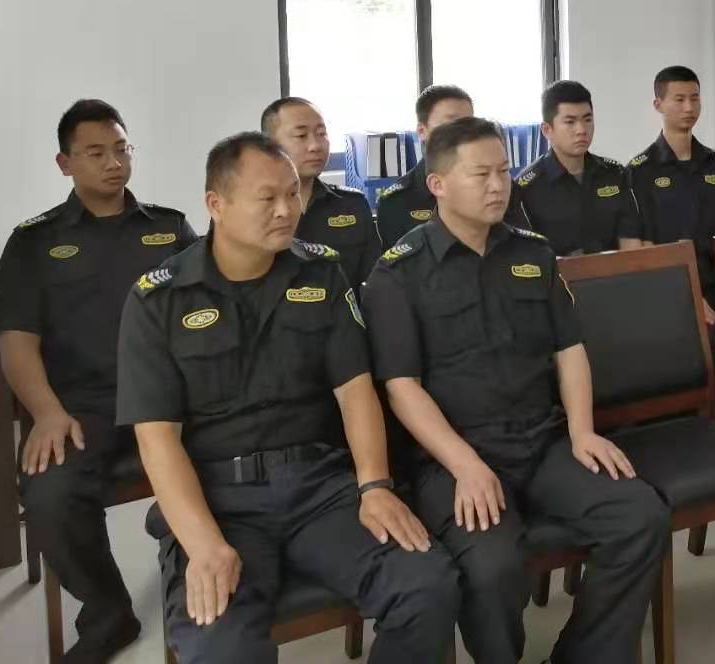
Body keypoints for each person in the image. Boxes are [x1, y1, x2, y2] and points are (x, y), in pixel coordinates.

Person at [116, 133, 459, 664]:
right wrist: (204, 545)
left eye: (293, 193)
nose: (286, 209)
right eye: (267, 198)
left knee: (427, 585)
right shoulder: (158, 300)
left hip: (320, 487)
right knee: (220, 645)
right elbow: (158, 439)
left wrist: (374, 485)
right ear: (216, 204)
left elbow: (355, 392)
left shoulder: (321, 272)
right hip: (219, 498)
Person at [364, 117, 669, 664]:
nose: (497, 185)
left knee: (639, 515)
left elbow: (569, 349)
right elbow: (402, 388)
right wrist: (466, 466)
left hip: (543, 439)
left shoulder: (533, 253)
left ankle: (584, 655)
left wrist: (582, 432)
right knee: (492, 567)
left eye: (503, 171)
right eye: (480, 174)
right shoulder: (398, 273)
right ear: (437, 184)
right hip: (455, 456)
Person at [0, 100, 195, 663]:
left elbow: (208, 312)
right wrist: (46, 412)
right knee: (50, 493)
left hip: (169, 397)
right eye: (96, 153)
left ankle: (216, 590)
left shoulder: (169, 228)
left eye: (122, 149)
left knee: (247, 455)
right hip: (82, 407)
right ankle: (108, 614)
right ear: (65, 163)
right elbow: (16, 342)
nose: (113, 163)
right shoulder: (34, 241)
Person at [628, 64, 715, 329]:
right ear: (658, 104)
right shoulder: (641, 170)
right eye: (679, 99)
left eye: (694, 98)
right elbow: (645, 248)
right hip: (670, 291)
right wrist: (686, 294)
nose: (689, 108)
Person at [508, 79, 644, 256]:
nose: (581, 130)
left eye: (587, 120)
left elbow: (631, 243)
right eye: (570, 122)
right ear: (547, 130)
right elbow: (526, 256)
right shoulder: (526, 187)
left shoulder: (614, 174)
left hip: (614, 272)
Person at [261, 97, 381, 290]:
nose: (315, 146)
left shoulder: (352, 204)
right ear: (270, 145)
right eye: (301, 136)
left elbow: (374, 284)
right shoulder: (246, 211)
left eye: (321, 134)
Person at [376, 84, 473, 248]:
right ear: (422, 131)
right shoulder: (397, 201)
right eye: (452, 123)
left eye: (469, 124)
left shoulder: (494, 187)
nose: (463, 133)